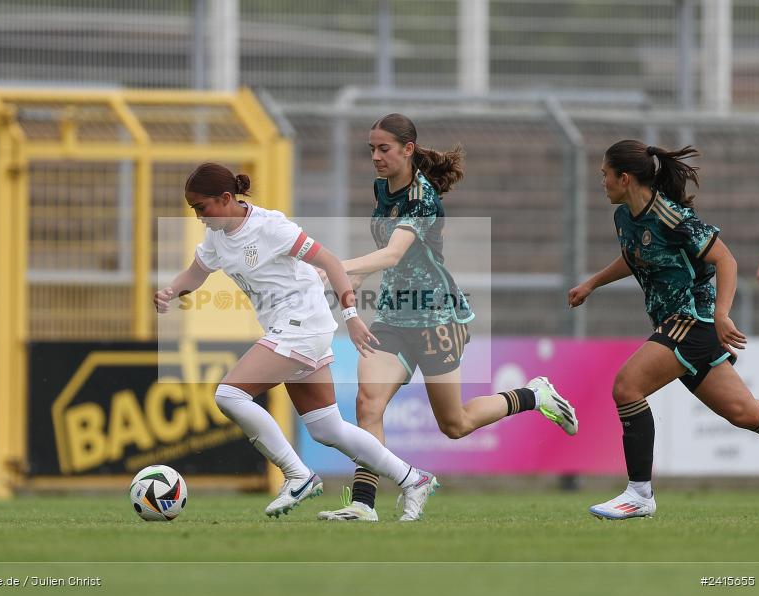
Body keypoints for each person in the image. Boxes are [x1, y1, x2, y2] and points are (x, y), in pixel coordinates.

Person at [316, 114, 578, 522]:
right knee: (368, 404)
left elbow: (393, 254)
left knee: (454, 424)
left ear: (407, 149)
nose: (375, 156)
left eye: (383, 148)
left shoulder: (424, 199)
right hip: (392, 316)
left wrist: (332, 265)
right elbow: (381, 259)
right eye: (371, 148)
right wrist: (345, 280)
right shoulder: (383, 189)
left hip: (437, 317)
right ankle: (363, 505)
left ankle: (532, 396)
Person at [154, 162, 439, 520]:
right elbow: (196, 274)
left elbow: (332, 263)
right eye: (193, 210)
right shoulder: (216, 236)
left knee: (229, 394)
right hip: (293, 328)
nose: (198, 217)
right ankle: (413, 478)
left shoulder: (270, 227)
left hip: (302, 323)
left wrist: (351, 318)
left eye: (201, 208)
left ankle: (297, 475)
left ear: (226, 198)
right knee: (327, 428)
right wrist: (171, 291)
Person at [569, 140, 759, 520]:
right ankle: (639, 493)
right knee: (745, 413)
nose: (602, 181)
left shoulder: (672, 217)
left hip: (692, 320)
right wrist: (592, 283)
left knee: (627, 387)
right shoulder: (624, 217)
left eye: (605, 174)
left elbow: (725, 259)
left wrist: (722, 315)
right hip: (678, 325)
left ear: (624, 178)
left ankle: (639, 494)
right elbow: (636, 256)